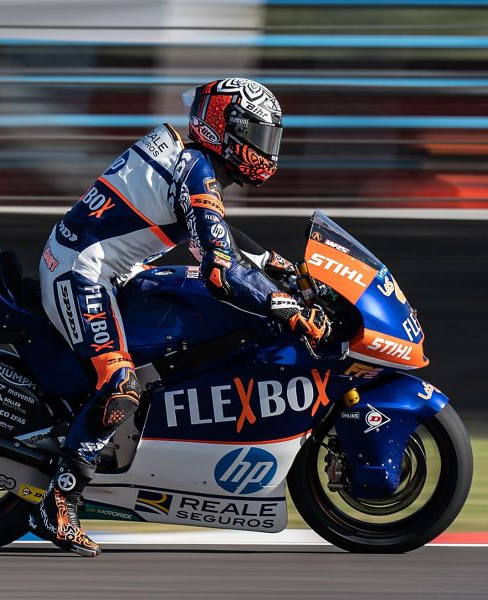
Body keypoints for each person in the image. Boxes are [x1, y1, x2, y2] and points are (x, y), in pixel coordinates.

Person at [29, 78, 330, 556]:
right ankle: (60, 499)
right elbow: (220, 270)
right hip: (80, 271)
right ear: (224, 127)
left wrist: (281, 267)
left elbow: (217, 233)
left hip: (116, 269)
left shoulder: (195, 164)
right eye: (257, 135)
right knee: (121, 384)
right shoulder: (194, 167)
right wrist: (284, 307)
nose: (264, 149)